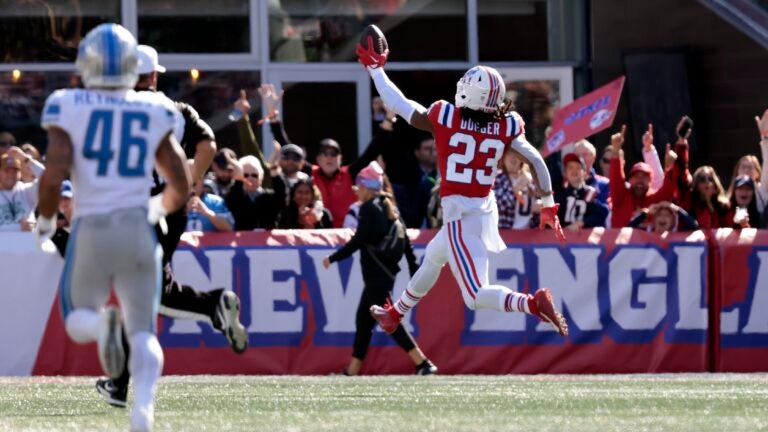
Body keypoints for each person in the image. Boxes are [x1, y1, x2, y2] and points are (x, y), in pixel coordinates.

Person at [355, 33, 568, 337]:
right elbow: (536, 161)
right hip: (483, 209)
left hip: (461, 215)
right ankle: (394, 314)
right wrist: (548, 207)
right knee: (433, 257)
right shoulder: (507, 125)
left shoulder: (446, 117)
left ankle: (532, 304)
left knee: (475, 296)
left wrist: (376, 69)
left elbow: (398, 103)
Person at [35, 24, 192, 431]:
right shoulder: (154, 108)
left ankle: (102, 324)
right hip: (139, 229)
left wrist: (48, 221)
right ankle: (143, 413)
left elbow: (52, 177)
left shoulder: (68, 103)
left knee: (78, 317)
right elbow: (181, 184)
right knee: (144, 331)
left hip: (91, 227)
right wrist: (153, 209)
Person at [88, 43, 248, 410]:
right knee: (149, 291)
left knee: (142, 293)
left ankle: (211, 308)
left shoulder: (114, 110)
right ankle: (119, 383)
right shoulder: (179, 110)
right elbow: (208, 144)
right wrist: (189, 181)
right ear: (155, 75)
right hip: (170, 210)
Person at [322, 162, 437, 376]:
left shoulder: (369, 208)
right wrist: (415, 273)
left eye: (359, 187)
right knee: (364, 321)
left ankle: (422, 363)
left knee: (389, 321)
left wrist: (334, 257)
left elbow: (359, 240)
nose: (357, 191)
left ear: (366, 187)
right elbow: (407, 245)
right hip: (385, 276)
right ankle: (353, 370)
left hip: (376, 278)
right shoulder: (390, 207)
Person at [608, 125, 681, 227]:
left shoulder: (656, 199)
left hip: (651, 242)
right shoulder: (620, 197)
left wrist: (670, 168)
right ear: (629, 180)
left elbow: (668, 189)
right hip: (622, 242)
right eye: (636, 177)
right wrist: (615, 150)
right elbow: (616, 179)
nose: (639, 181)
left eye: (644, 177)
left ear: (651, 181)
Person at [555, 153, 609, 231]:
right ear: (566, 173)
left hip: (584, 240)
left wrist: (582, 222)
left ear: (585, 173)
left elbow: (603, 212)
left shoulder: (590, 193)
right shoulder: (560, 194)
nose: (574, 171)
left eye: (578, 168)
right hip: (563, 240)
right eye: (570, 168)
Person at [0, 146, 45, 231]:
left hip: (27, 242)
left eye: (15, 171)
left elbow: (47, 178)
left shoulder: (26, 191)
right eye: (7, 171)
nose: (11, 175)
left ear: (20, 174)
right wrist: (18, 227)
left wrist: (25, 158)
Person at [494, 147, 539, 229]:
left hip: (530, 235)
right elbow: (497, 206)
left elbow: (542, 204)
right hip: (506, 235)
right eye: (508, 154)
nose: (513, 157)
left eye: (516, 154)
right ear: (502, 157)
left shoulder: (533, 179)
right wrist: (516, 188)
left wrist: (540, 206)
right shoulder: (496, 178)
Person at [628, 201, 699, 234]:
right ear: (654, 219)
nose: (662, 218)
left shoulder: (678, 232)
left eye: (667, 215)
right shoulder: (646, 232)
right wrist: (647, 213)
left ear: (673, 221)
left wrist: (676, 209)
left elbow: (694, 225)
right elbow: (628, 228)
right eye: (659, 215)